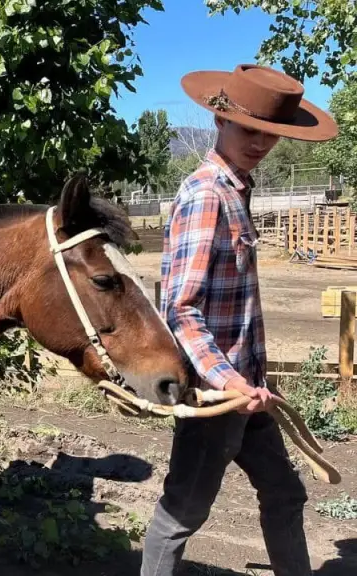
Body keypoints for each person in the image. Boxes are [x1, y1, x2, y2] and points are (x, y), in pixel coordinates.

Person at [142, 64, 338, 576]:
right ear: (219, 122)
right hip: (219, 392)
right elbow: (180, 309)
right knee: (180, 514)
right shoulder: (208, 194)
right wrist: (229, 381)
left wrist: (252, 381)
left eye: (271, 134)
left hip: (248, 391)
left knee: (284, 492)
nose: (260, 143)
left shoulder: (237, 190)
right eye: (249, 130)